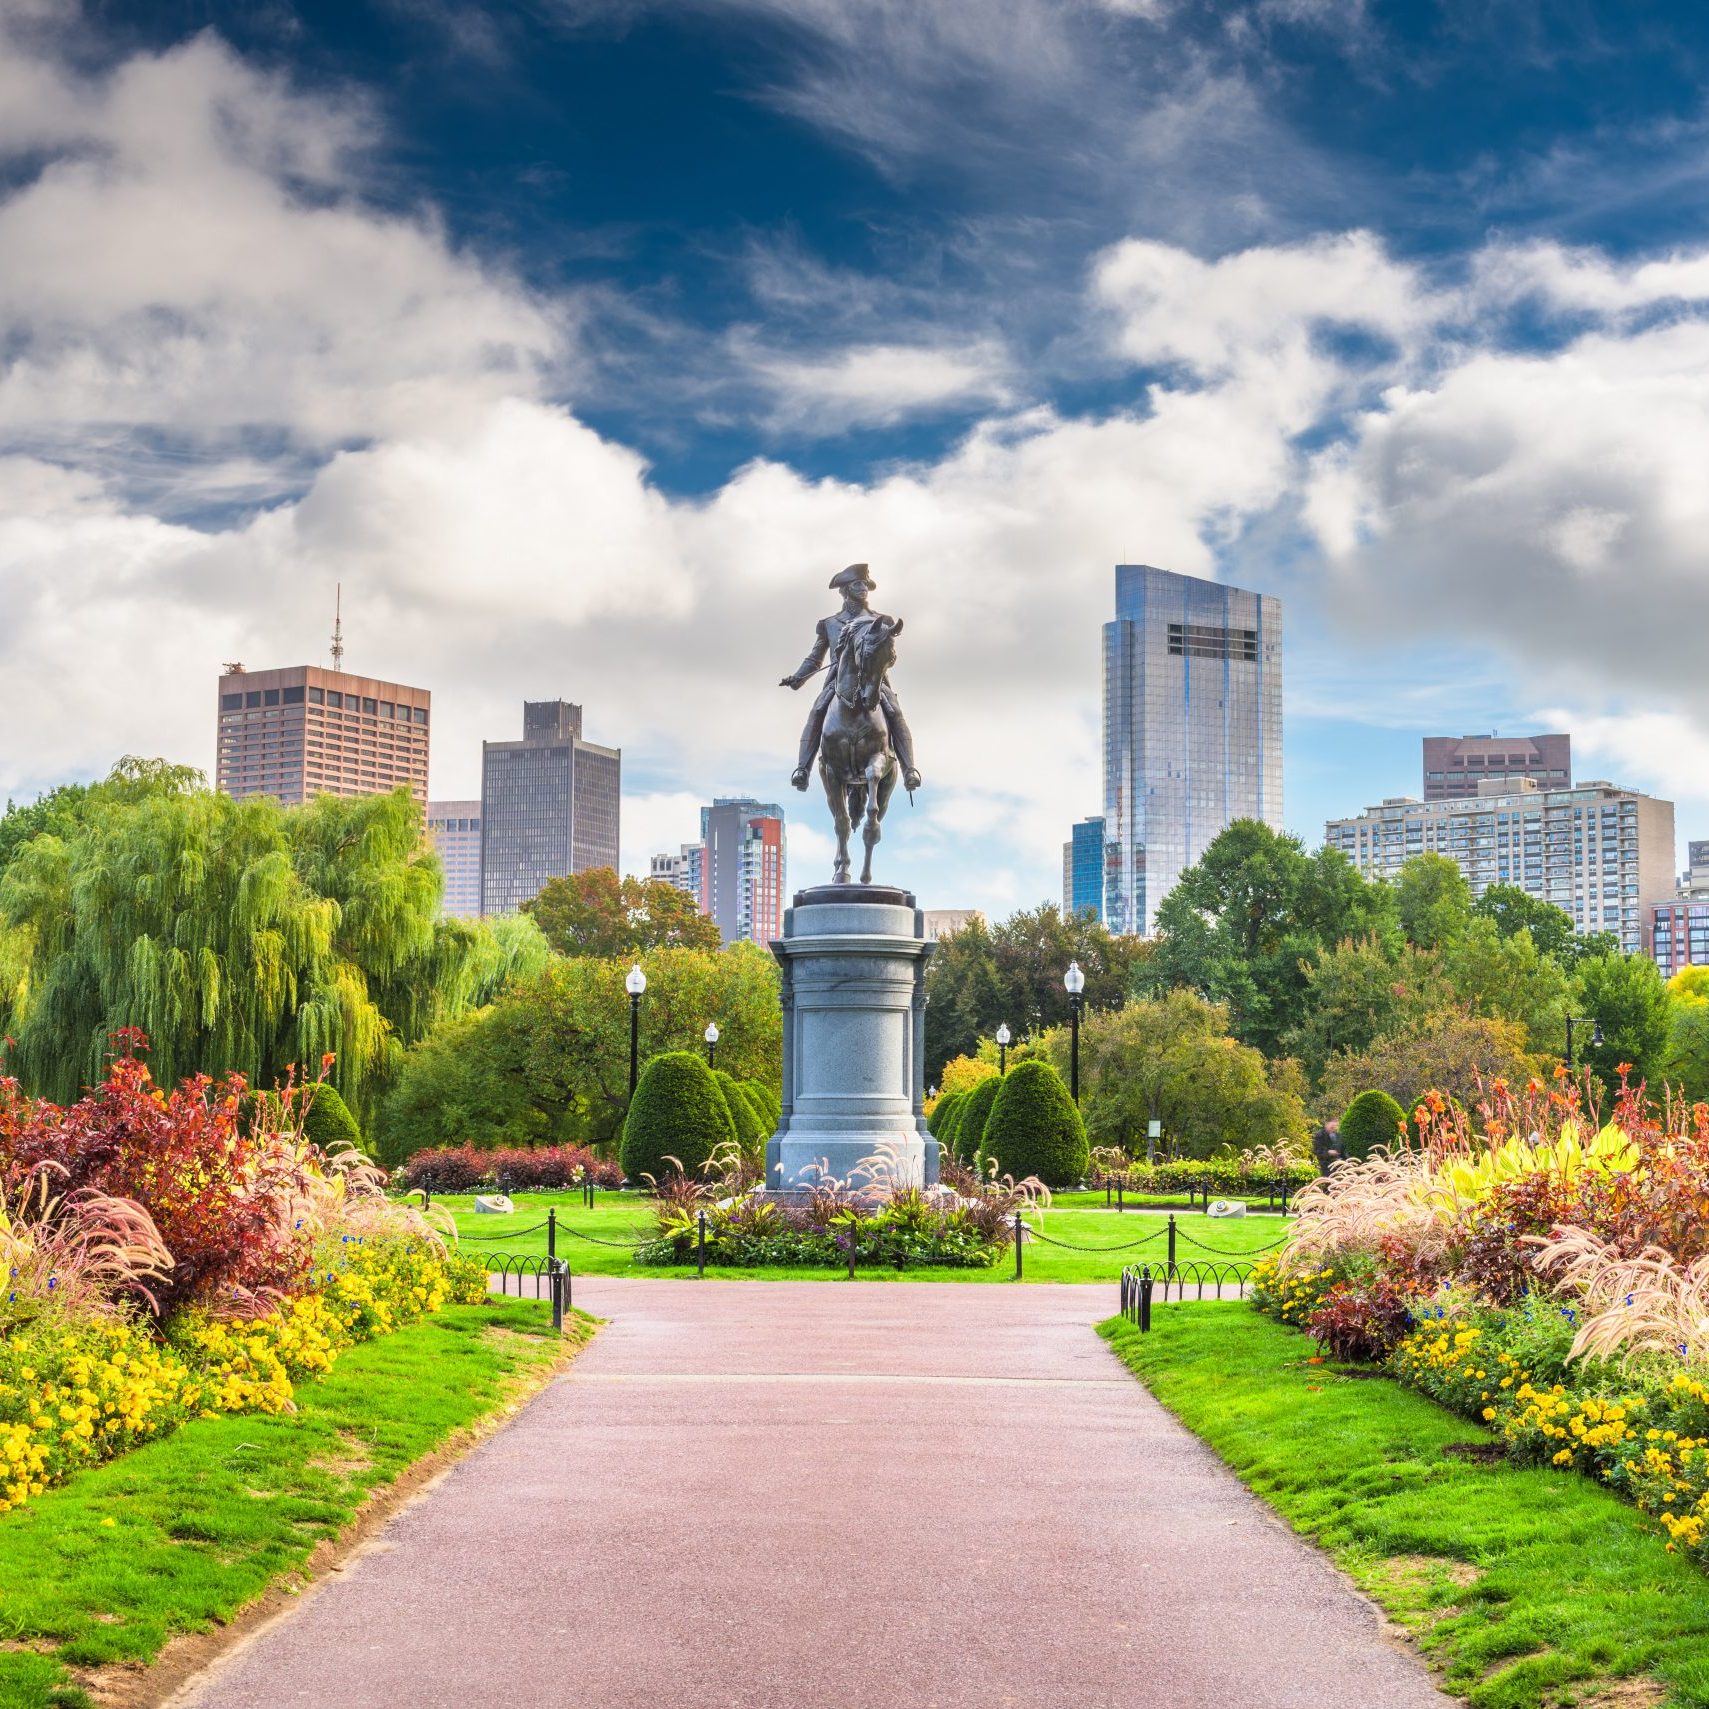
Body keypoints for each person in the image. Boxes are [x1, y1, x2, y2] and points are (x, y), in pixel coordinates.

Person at [780, 563, 921, 792]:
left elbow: (889, 655)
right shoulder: (829, 624)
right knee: (817, 711)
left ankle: (909, 770)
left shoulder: (882, 620)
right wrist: (799, 677)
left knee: (895, 713)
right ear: (845, 590)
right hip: (838, 682)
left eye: (866, 584)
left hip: (874, 681)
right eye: (858, 584)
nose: (863, 588)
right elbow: (815, 658)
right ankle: (802, 769)